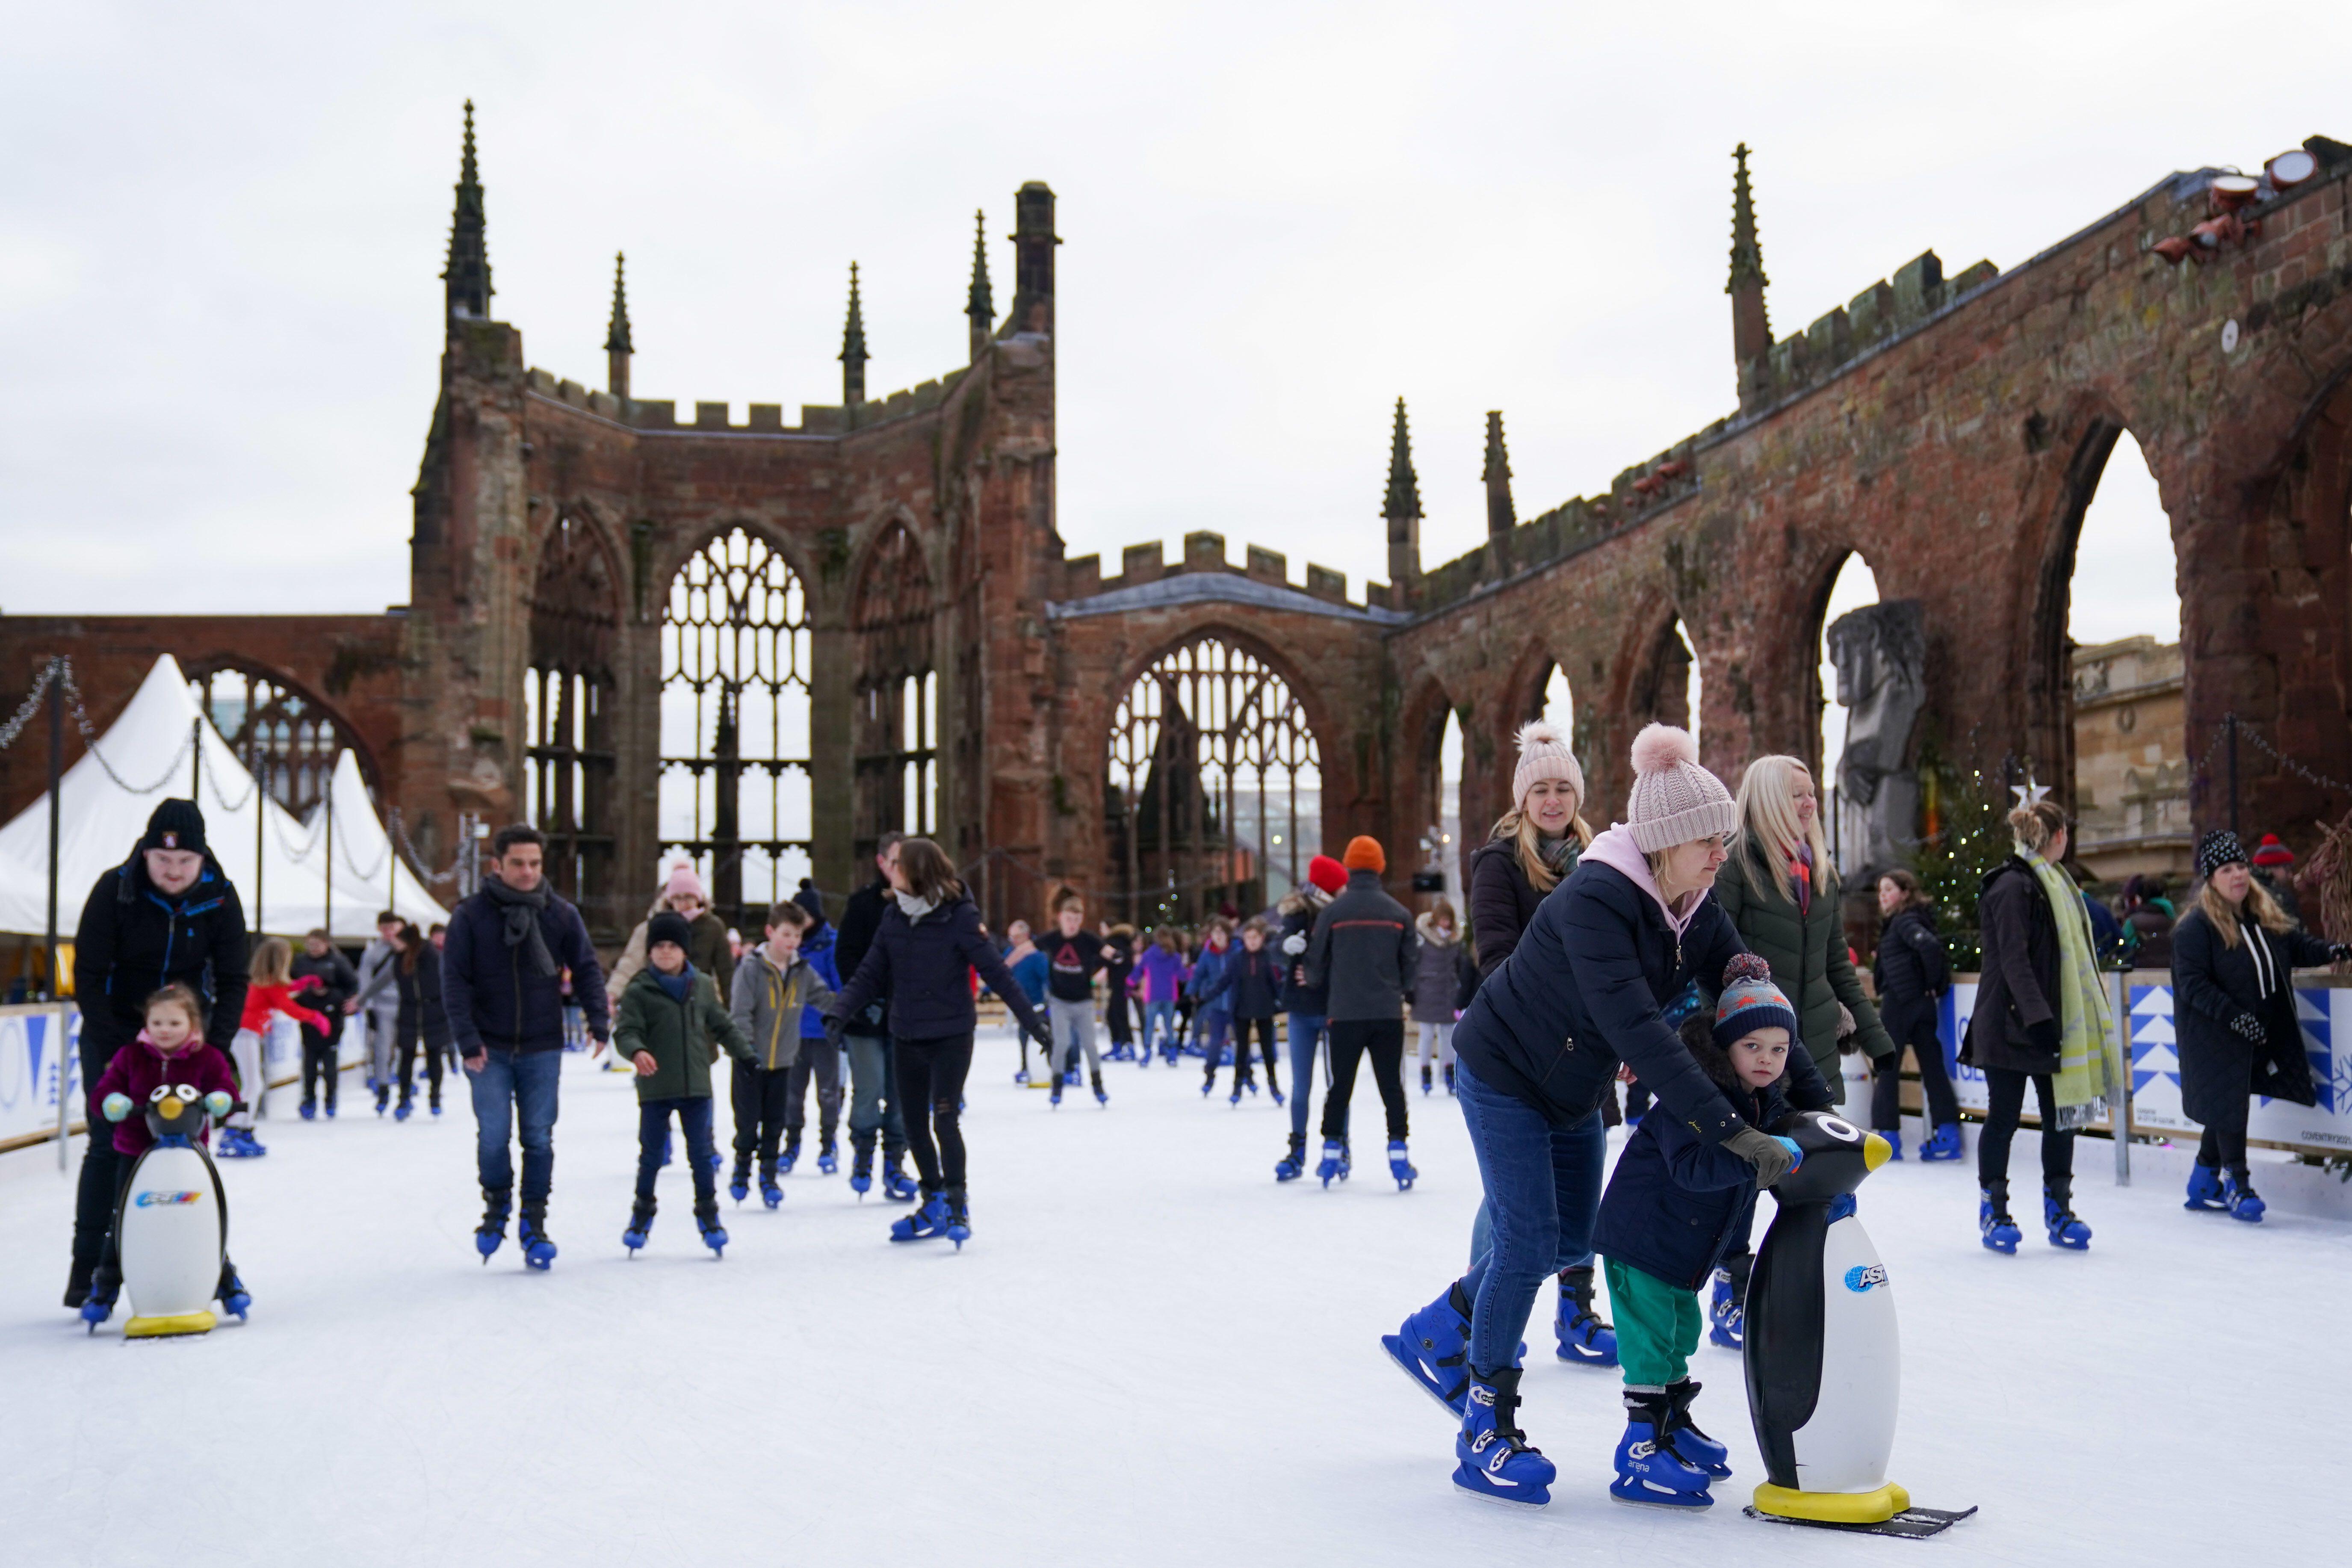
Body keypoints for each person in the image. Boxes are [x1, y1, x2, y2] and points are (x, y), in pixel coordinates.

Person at [1383, 724, 1832, 1509]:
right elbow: (1642, 1034)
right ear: (1665, 842)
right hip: (1503, 1070)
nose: (1720, 855)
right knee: (1526, 1244)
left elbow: (1749, 991)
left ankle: (1438, 1327)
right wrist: (1734, 1130)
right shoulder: (1597, 899)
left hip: (1573, 1083)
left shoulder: (1692, 902)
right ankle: (1485, 1421)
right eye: (1709, 842)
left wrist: (1816, 1099)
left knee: (1569, 1240)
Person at [1591, 955, 1802, 1509]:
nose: (1766, 1059)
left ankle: (1672, 1421)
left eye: (1778, 1049)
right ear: (1726, 1046)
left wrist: (1735, 1255)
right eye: (1752, 1045)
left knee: (1681, 1334)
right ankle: (1639, 1447)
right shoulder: (1693, 1099)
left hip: (1680, 1251)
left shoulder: (1757, 1105)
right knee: (1650, 1343)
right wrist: (1753, 1161)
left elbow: (1737, 1197)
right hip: (1642, 1242)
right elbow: (1694, 1169)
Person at [1706, 754, 1895, 1349]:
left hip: (1814, 1050)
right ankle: (1731, 1291)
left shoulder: (1821, 873)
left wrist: (1876, 1038)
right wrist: (1728, 1037)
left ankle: (1814, 1286)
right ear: (1764, 798)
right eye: (1796, 794)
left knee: (1822, 1174)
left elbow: (1836, 964)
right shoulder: (1737, 866)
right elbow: (1713, 959)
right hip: (1755, 1057)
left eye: (1812, 793)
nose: (1809, 803)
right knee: (1745, 1178)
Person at [66, 798, 249, 1311]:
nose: (173, 872)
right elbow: (88, 973)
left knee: (184, 1146)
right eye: (163, 861)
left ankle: (206, 1264)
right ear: (146, 854)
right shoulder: (116, 889)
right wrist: (116, 1049)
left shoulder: (220, 896)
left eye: (184, 862)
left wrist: (213, 1048)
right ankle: (88, 1269)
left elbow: (235, 977)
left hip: (187, 1035)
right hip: (117, 1031)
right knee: (109, 1144)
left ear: (202, 859)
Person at [825, 837, 1053, 1247]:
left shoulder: (959, 917)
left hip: (950, 1036)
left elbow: (998, 974)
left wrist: (1034, 1024)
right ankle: (932, 1200)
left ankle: (957, 1202)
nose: (890, 872)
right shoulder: (894, 917)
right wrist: (839, 1013)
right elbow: (869, 973)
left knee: (944, 1119)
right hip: (906, 1034)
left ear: (916, 872)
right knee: (913, 1126)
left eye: (897, 866)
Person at [442, 824, 610, 1269]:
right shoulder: (471, 915)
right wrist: (467, 1038)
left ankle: (533, 1222)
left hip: (542, 1045)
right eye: (517, 863)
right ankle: (497, 1206)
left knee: (538, 1136)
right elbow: (454, 981)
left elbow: (587, 967)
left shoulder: (559, 914)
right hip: (488, 1047)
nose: (527, 871)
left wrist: (598, 1019)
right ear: (497, 864)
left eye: (534, 863)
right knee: (494, 1135)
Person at [1960, 797, 2122, 1255]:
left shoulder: (2055, 885)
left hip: (2047, 1023)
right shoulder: (2012, 886)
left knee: (2060, 1119)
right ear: (2058, 838)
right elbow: (2012, 959)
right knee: (2004, 1118)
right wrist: (2038, 1019)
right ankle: (1993, 1208)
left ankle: (2059, 1208)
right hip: (2011, 1023)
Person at [2173, 830, 2349, 1222]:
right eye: (2227, 869)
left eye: (2242, 867)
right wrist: (2235, 1017)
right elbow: (2193, 985)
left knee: (2225, 1105)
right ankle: (2238, 1182)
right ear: (2211, 879)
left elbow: (2296, 945)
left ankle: (2203, 1181)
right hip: (2215, 1035)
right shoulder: (2196, 928)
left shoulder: (2261, 915)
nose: (2238, 875)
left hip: (2259, 1031)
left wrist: (2332, 950)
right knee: (2230, 1104)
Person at [81, 984, 247, 1327]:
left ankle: (226, 1282)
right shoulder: (131, 1056)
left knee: (203, 1220)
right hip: (136, 1153)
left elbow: (226, 1087)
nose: (165, 1030)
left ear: (192, 1023)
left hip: (189, 1156)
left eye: (174, 1023)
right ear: (146, 1023)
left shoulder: (207, 1057)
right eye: (157, 1022)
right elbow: (104, 1091)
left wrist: (221, 1098)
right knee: (124, 1223)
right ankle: (104, 1288)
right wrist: (112, 1102)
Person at [616, 910, 755, 1256]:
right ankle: (641, 1215)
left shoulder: (703, 986)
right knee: (651, 1156)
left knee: (702, 1156)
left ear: (685, 950)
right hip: (656, 1087)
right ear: (650, 951)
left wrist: (746, 1055)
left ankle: (709, 1216)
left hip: (696, 1086)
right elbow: (626, 1030)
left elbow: (722, 1025)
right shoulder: (639, 989)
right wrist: (637, 1051)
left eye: (673, 946)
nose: (666, 952)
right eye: (659, 946)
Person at [1304, 836, 1417, 1185]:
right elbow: (1410, 969)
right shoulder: (1399, 914)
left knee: (1340, 1085)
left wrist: (1313, 978)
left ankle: (1331, 1150)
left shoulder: (1333, 913)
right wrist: (1398, 990)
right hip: (1386, 1013)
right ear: (1380, 868)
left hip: (1345, 1013)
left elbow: (1314, 966)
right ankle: (1398, 1150)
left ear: (1349, 868)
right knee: (1392, 1086)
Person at [727, 901, 837, 1205]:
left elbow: (824, 998)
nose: (792, 942)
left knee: (776, 1121)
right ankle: (741, 1169)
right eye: (786, 934)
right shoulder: (751, 968)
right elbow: (740, 1013)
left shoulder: (802, 970)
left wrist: (849, 1008)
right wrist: (746, 1051)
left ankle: (769, 1176)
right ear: (770, 932)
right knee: (748, 1121)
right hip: (751, 1061)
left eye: (797, 936)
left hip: (784, 1060)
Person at [833, 832, 918, 1202]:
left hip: (908, 1017)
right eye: (898, 860)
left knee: (902, 1093)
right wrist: (865, 996)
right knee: (867, 1090)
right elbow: (846, 956)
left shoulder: (920, 904)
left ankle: (895, 1165)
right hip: (866, 1017)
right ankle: (864, 1157)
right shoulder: (862, 904)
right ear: (883, 863)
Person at [1870, 869, 1960, 1161]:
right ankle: (1948, 1134)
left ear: (1906, 892)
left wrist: (1933, 983)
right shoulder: (1910, 919)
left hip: (1900, 1002)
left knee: (1887, 1065)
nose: (1883, 896)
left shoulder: (1905, 920)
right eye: (1880, 891)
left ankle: (1888, 1138)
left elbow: (1929, 946)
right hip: (1921, 1003)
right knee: (1932, 1065)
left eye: (1889, 889)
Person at [1272, 855, 1347, 1180]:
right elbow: (1275, 947)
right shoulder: (1299, 913)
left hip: (1334, 1010)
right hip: (1303, 1011)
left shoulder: (1343, 914)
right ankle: (1297, 1150)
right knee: (1301, 1087)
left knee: (1337, 1086)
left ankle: (1340, 1146)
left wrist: (1319, 974)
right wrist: (1285, 946)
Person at [223, 937, 331, 1155]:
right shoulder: (269, 985)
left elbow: (283, 991)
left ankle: (242, 1129)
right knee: (253, 1086)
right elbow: (289, 1007)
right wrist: (316, 1018)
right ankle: (235, 1130)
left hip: (246, 1035)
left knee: (254, 1085)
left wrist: (302, 984)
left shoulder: (264, 982)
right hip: (245, 1035)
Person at [778, 882, 845, 1170]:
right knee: (792, 1094)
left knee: (828, 1092)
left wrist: (839, 1020)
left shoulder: (831, 943)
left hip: (823, 1032)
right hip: (793, 1033)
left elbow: (840, 985)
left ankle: (829, 1143)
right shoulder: (787, 945)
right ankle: (791, 1144)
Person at [607, 863, 736, 1012]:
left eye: (688, 897)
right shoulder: (653, 927)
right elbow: (630, 964)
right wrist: (612, 994)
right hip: (660, 1003)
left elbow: (727, 973)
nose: (683, 903)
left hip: (700, 1005)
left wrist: (732, 1013)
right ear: (669, 900)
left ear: (698, 898)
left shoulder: (713, 927)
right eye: (677, 898)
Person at [1196, 918, 1284, 1105]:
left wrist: (1284, 1000)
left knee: (1268, 1049)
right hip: (1241, 1009)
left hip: (1264, 1009)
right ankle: (1237, 1086)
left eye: (1255, 937)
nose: (1252, 941)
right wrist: (1206, 996)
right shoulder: (1237, 959)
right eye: (1248, 937)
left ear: (1261, 938)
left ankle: (1273, 1084)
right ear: (1243, 939)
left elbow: (1276, 983)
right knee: (1242, 1050)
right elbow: (1225, 980)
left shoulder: (1268, 958)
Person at [1039, 896, 1111, 1107]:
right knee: (1062, 1044)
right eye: (1069, 919)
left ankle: (1098, 1086)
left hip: (1084, 1003)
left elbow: (1109, 953)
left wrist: (1118, 958)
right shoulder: (1053, 939)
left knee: (1090, 1045)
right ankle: (1057, 1086)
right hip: (1059, 1002)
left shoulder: (1089, 940)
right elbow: (1029, 948)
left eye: (1077, 920)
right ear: (1061, 918)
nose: (1073, 924)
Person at [291, 928, 357, 1119]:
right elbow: (292, 983)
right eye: (310, 945)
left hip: (332, 1017)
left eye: (317, 945)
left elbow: (351, 985)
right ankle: (309, 1099)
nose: (313, 949)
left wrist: (339, 999)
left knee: (330, 1066)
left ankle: (330, 1099)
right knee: (309, 1064)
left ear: (326, 944)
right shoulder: (301, 962)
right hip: (309, 1016)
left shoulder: (338, 962)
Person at [348, 909, 405, 1116]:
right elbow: (364, 979)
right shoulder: (373, 952)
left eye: (392, 928)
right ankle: (383, 1086)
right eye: (384, 928)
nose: (388, 932)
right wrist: (367, 1006)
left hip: (405, 1004)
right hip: (382, 1006)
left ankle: (403, 1081)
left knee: (404, 1046)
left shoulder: (408, 949)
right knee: (382, 1047)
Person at [1412, 901, 1465, 1096]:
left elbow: (1460, 966)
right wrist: (1411, 990)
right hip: (1426, 992)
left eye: (1448, 920)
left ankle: (1449, 1074)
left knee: (1448, 1037)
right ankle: (1425, 1073)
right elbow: (1413, 962)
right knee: (1426, 1036)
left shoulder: (1455, 941)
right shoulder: (1423, 939)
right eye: (1443, 920)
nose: (1445, 924)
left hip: (1448, 994)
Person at [1134, 927, 1190, 1067]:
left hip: (1152, 994)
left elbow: (1138, 971)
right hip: (1169, 995)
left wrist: (1129, 982)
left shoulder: (1148, 955)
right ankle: (1172, 1053)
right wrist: (1192, 972)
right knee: (1169, 1025)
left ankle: (1147, 1052)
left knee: (1150, 1025)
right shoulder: (1175, 956)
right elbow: (1182, 975)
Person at [1189, 918, 1236, 1077]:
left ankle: (1247, 1074)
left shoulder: (1236, 950)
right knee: (1215, 1041)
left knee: (1242, 1041)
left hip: (1236, 1002)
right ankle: (1210, 1073)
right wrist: (1192, 992)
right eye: (1215, 933)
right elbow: (1199, 975)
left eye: (1221, 932)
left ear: (1228, 934)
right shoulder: (1207, 953)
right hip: (1216, 1003)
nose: (1218, 936)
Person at [2117, 875, 2176, 969]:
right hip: (2170, 974)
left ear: (2139, 898)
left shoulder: (2133, 922)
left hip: (2140, 977)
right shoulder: (2174, 920)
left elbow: (2123, 950)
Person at [2249, 833, 2304, 926]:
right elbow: (2296, 935)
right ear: (2274, 868)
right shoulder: (2281, 897)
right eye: (2287, 869)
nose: (2290, 875)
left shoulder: (2248, 892)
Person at [1102, 923, 1138, 1062]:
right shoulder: (1127, 945)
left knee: (1117, 1015)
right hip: (1124, 984)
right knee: (1115, 1014)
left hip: (1118, 984)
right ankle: (1120, 1045)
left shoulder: (1112, 944)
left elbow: (1105, 960)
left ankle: (1125, 1046)